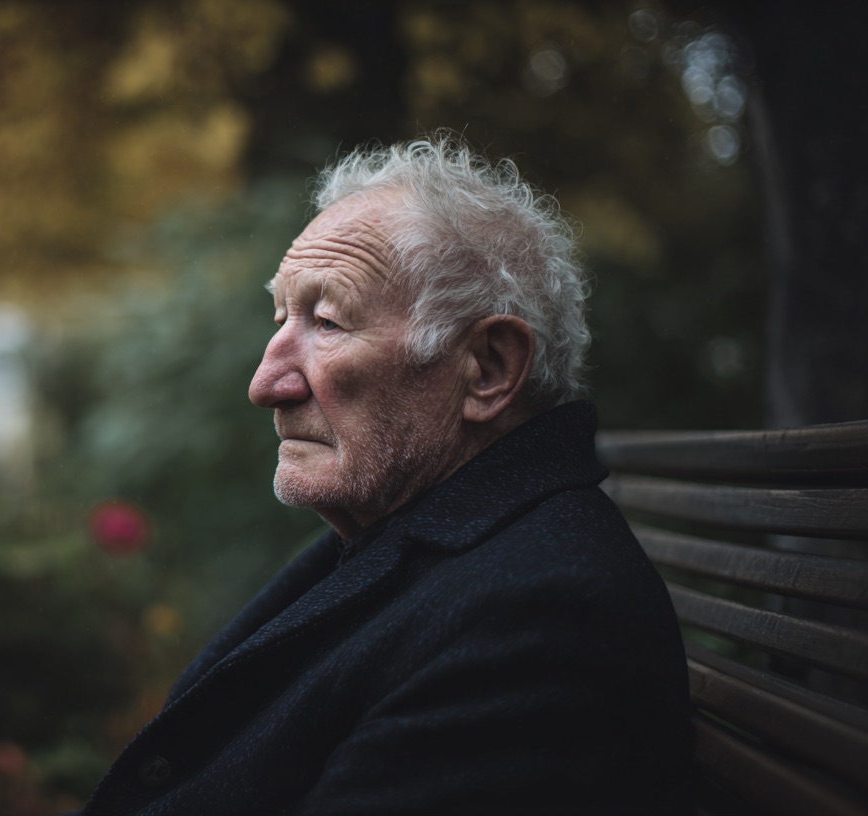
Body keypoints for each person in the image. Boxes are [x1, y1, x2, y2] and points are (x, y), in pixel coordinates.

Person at [76, 137, 694, 815]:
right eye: (282, 320)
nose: (266, 384)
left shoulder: (543, 618)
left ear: (488, 368)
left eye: (327, 322)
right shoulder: (414, 538)